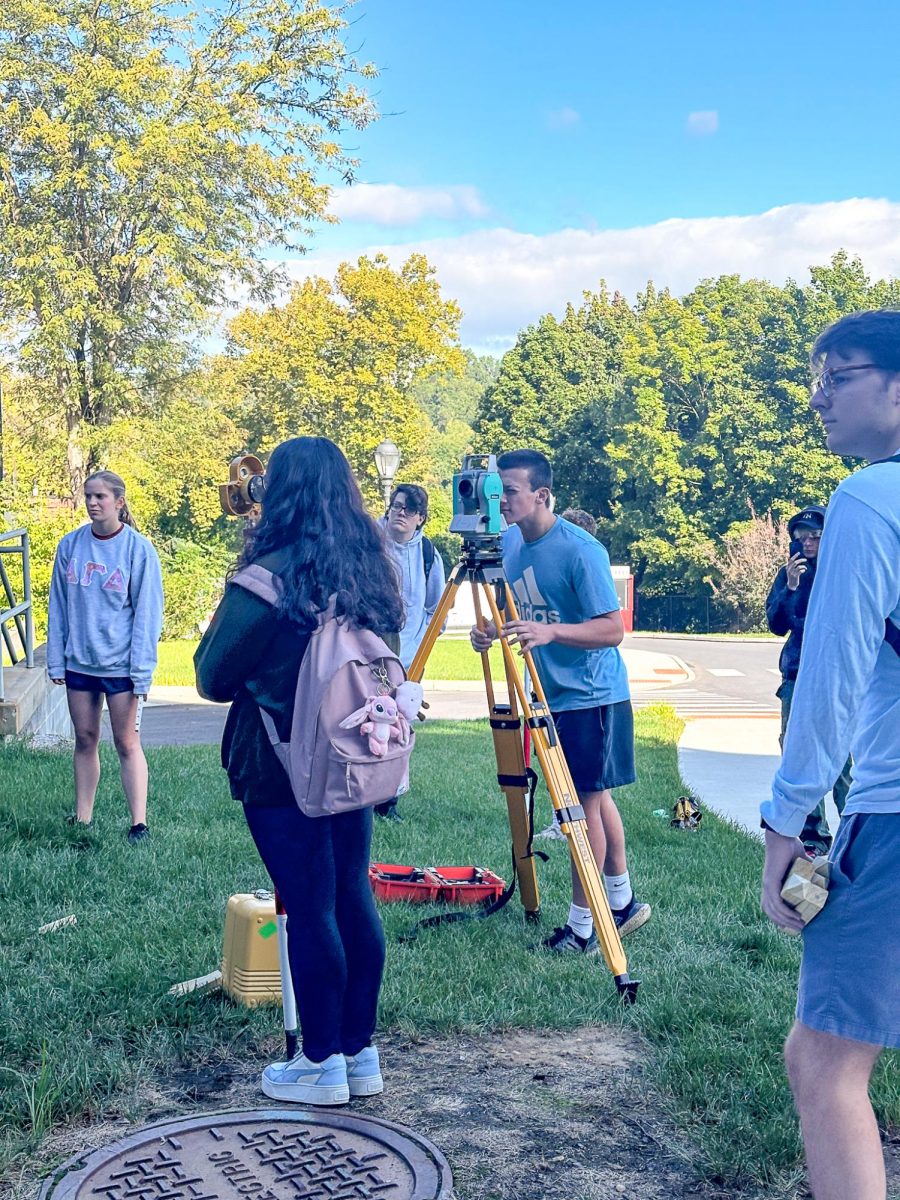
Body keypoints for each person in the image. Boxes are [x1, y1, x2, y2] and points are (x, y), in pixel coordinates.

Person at [194, 436, 404, 1106]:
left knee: (308, 907)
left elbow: (212, 677)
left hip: (278, 764)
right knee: (351, 896)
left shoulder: (269, 576)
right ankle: (358, 1051)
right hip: (352, 754)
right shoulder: (367, 565)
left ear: (276, 492)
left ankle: (318, 1063)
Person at [760, 310, 900, 1200]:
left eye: (837, 376)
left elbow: (830, 679)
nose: (817, 396)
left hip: (892, 819)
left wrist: (786, 821)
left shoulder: (868, 499)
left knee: (823, 1064)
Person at [470, 449, 650, 953]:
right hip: (553, 695)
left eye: (509, 491)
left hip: (592, 698)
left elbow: (613, 629)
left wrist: (550, 632)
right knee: (594, 800)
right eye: (496, 490)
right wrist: (489, 631)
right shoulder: (510, 543)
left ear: (541, 495)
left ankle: (583, 927)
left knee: (579, 809)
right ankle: (622, 901)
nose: (498, 500)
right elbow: (516, 607)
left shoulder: (579, 550)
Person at [47, 470, 163, 844]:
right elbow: (59, 608)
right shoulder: (70, 546)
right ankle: (83, 818)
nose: (93, 503)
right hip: (79, 662)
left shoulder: (138, 550)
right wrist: (56, 659)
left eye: (101, 496)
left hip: (121, 667)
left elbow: (148, 614)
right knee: (85, 738)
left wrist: (141, 673)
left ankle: (138, 823)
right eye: (89, 496)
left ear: (119, 501)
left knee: (126, 742)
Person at [766, 505, 851, 856]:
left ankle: (852, 828)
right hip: (797, 673)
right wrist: (790, 586)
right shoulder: (788, 575)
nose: (809, 543)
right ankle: (814, 836)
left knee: (841, 754)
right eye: (802, 538)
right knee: (798, 752)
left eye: (815, 536)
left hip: (834, 673)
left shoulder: (840, 571)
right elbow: (776, 624)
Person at [375, 483, 446, 820]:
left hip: (408, 659)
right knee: (367, 720)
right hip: (368, 654)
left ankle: (388, 801)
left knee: (399, 728)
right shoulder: (367, 543)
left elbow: (437, 608)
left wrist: (420, 645)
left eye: (409, 509)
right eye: (396, 505)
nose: (400, 512)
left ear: (421, 518)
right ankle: (360, 793)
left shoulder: (429, 555)